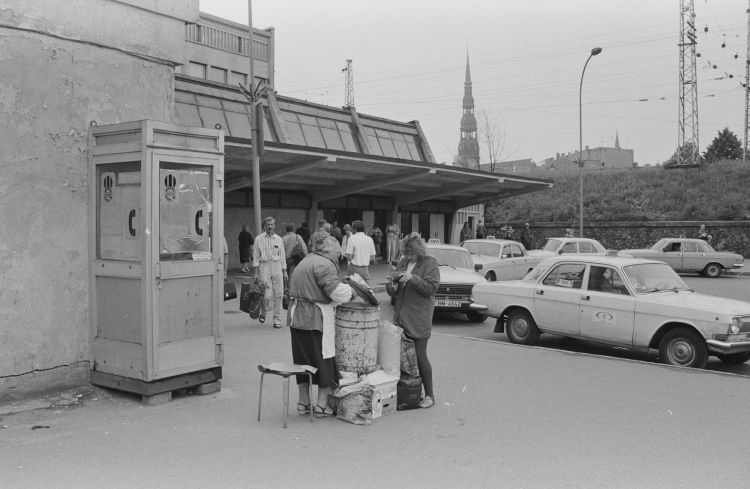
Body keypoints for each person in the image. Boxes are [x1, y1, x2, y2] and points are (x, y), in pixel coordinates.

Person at [288, 236, 354, 417]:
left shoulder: (306, 261)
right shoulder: (324, 264)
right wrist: (351, 290)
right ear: (326, 251)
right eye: (337, 251)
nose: (339, 255)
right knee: (324, 360)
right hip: (316, 319)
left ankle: (303, 402)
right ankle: (322, 406)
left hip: (297, 318)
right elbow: (337, 293)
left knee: (302, 361)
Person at [386, 233, 440, 409]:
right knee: (399, 358)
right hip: (401, 317)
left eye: (411, 254)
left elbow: (431, 288)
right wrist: (391, 287)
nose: (408, 257)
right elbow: (394, 292)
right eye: (406, 253)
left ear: (419, 251)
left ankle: (430, 395)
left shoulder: (430, 263)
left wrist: (413, 278)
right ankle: (406, 394)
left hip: (419, 318)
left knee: (420, 357)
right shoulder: (403, 262)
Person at [252, 217, 288, 328]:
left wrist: (284, 271)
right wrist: (256, 273)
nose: (270, 227)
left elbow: (282, 256)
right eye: (268, 225)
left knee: (279, 294)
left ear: (274, 226)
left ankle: (277, 319)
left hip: (277, 265)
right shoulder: (258, 239)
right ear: (264, 226)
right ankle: (264, 312)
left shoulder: (279, 239)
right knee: (266, 294)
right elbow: (256, 257)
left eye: (272, 224)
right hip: (264, 266)